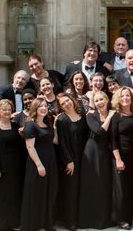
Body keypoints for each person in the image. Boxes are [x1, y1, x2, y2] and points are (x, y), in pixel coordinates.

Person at [78, 91, 116, 229]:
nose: (100, 102)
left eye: (102, 99)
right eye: (97, 100)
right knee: (91, 184)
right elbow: (99, 131)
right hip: (92, 151)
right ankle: (89, 220)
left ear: (107, 100)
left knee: (104, 185)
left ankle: (103, 219)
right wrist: (110, 116)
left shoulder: (113, 114)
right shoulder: (91, 115)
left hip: (105, 152)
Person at [0, 99, 25, 230]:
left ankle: (13, 222)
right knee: (0, 197)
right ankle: (1, 223)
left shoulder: (15, 126)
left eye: (9, 109)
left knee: (14, 196)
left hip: (15, 168)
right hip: (0, 169)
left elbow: (20, 147)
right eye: (4, 109)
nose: (7, 112)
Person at [20, 97, 58, 231]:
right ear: (35, 109)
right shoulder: (30, 124)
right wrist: (39, 165)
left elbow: (55, 141)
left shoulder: (47, 124)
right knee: (37, 194)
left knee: (48, 193)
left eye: (45, 106)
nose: (43, 108)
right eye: (40, 106)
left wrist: (55, 126)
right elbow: (30, 147)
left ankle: (45, 223)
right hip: (37, 163)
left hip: (50, 162)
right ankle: (34, 225)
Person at [55, 93, 89, 230]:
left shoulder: (83, 115)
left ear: (72, 100)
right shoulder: (62, 120)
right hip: (70, 160)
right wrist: (68, 161)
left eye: (67, 100)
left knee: (82, 189)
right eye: (63, 103)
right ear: (61, 107)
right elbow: (61, 142)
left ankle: (81, 219)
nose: (66, 104)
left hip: (85, 158)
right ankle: (70, 221)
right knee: (71, 190)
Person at [110, 87, 133, 230]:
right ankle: (121, 219)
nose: (125, 98)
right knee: (120, 189)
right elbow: (113, 140)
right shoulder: (116, 116)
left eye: (128, 96)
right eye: (123, 96)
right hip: (120, 156)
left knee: (132, 187)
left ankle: (132, 216)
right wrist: (118, 159)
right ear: (118, 99)